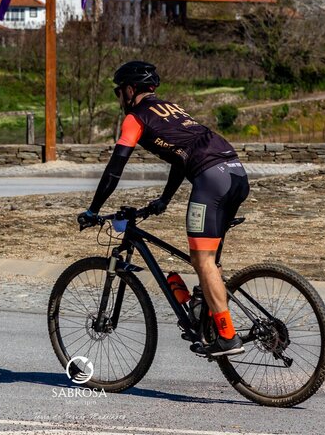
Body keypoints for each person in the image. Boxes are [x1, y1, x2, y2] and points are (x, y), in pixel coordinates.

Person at [78, 61, 250, 357]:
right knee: (209, 259)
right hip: (236, 173)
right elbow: (181, 158)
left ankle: (227, 336)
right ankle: (206, 314)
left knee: (202, 260)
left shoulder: (135, 118)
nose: (119, 98)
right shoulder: (173, 108)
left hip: (212, 180)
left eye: (118, 92)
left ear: (130, 90)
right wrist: (164, 199)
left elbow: (115, 169)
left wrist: (93, 210)